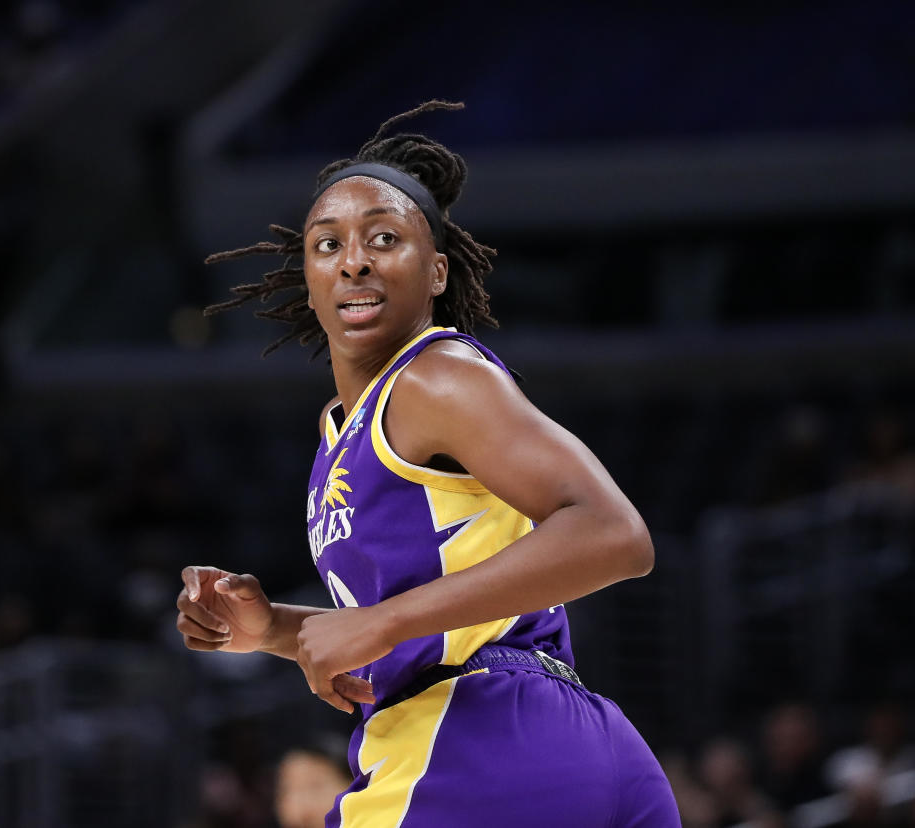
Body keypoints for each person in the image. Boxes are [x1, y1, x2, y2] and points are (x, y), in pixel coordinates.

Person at [175, 100, 680, 827]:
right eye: (328, 245)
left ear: (437, 271)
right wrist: (274, 631)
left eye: (385, 238)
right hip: (567, 745)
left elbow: (615, 535)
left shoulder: (433, 377)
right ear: (309, 279)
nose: (354, 259)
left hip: (471, 743)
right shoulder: (343, 432)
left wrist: (377, 624)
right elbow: (423, 623)